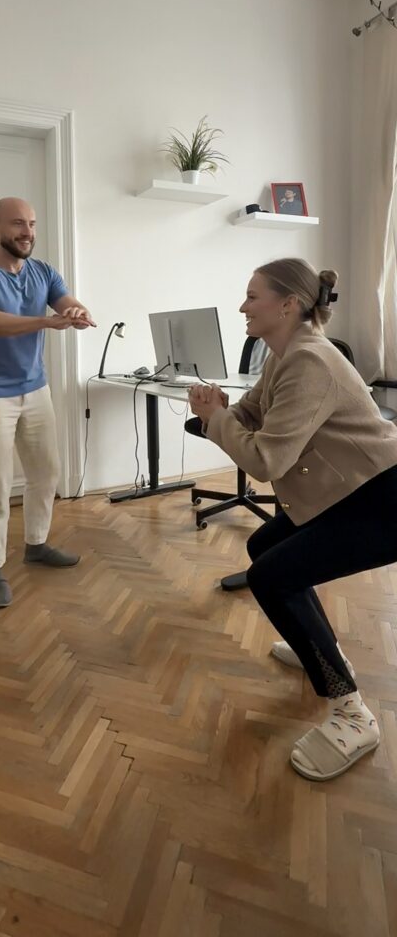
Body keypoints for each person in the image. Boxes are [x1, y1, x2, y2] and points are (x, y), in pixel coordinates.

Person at [189, 258, 397, 781]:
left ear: (287, 304)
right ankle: (327, 655)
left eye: (252, 296)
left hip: (382, 500)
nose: (242, 306)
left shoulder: (310, 361)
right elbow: (252, 414)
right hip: (340, 493)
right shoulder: (282, 356)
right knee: (266, 549)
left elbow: (264, 461)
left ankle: (353, 713)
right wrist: (224, 415)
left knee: (271, 575)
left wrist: (217, 418)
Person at [0, 197, 95, 609]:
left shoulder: (44, 271)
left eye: (31, 223)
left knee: (46, 473)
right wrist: (48, 321)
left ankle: (36, 544)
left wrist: (75, 310)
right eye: (18, 223)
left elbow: (64, 300)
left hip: (36, 388)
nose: (27, 232)